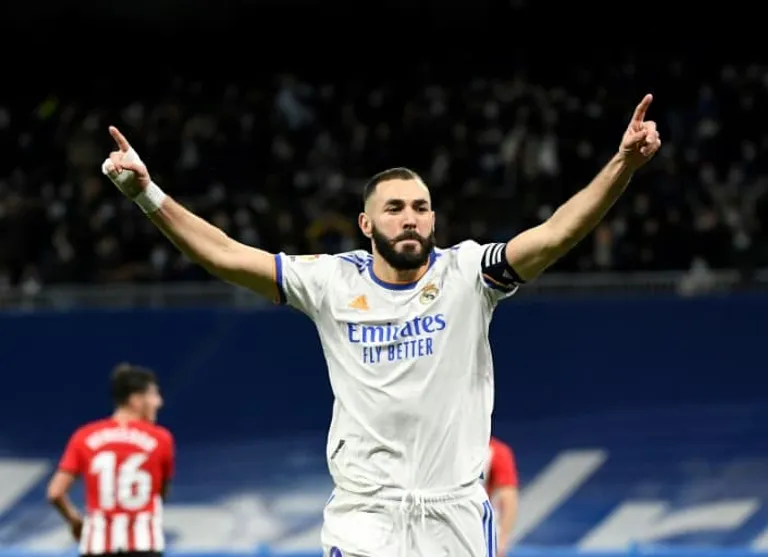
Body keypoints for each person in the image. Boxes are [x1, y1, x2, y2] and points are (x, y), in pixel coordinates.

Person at [101, 94, 661, 557]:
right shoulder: (330, 281)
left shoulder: (469, 273)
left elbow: (557, 233)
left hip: (455, 517)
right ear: (367, 223)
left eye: (420, 207)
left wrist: (622, 166)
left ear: (434, 218)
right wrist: (146, 195)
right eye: (394, 209)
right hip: (365, 517)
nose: (410, 218)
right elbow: (225, 253)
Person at [46, 363, 174, 557]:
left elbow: (55, 493)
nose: (159, 402)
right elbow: (160, 493)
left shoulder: (84, 436)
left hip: (97, 545)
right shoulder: (161, 439)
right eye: (154, 395)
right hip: (144, 545)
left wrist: (76, 522)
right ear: (136, 400)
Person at [484, 437, 519, 557]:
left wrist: (501, 541)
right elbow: (508, 498)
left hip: (480, 529)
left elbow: (508, 497)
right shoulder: (495, 450)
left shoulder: (495, 451)